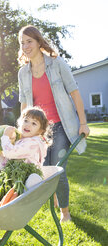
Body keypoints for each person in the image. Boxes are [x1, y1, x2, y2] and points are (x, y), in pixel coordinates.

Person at [17, 25, 90, 222]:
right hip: (39, 130)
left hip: (61, 125)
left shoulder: (56, 64)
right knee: (43, 168)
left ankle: (64, 213)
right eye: (22, 43)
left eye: (29, 41)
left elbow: (74, 92)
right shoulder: (23, 73)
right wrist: (21, 131)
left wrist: (83, 123)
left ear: (39, 41)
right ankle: (57, 198)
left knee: (58, 169)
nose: (25, 46)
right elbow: (24, 103)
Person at [0, 106, 50, 170]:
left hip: (28, 175)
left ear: (40, 131)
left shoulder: (33, 143)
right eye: (26, 120)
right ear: (20, 122)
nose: (28, 125)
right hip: (16, 174)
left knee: (34, 177)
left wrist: (5, 137)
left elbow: (10, 153)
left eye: (34, 123)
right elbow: (5, 162)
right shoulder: (21, 140)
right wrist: (10, 142)